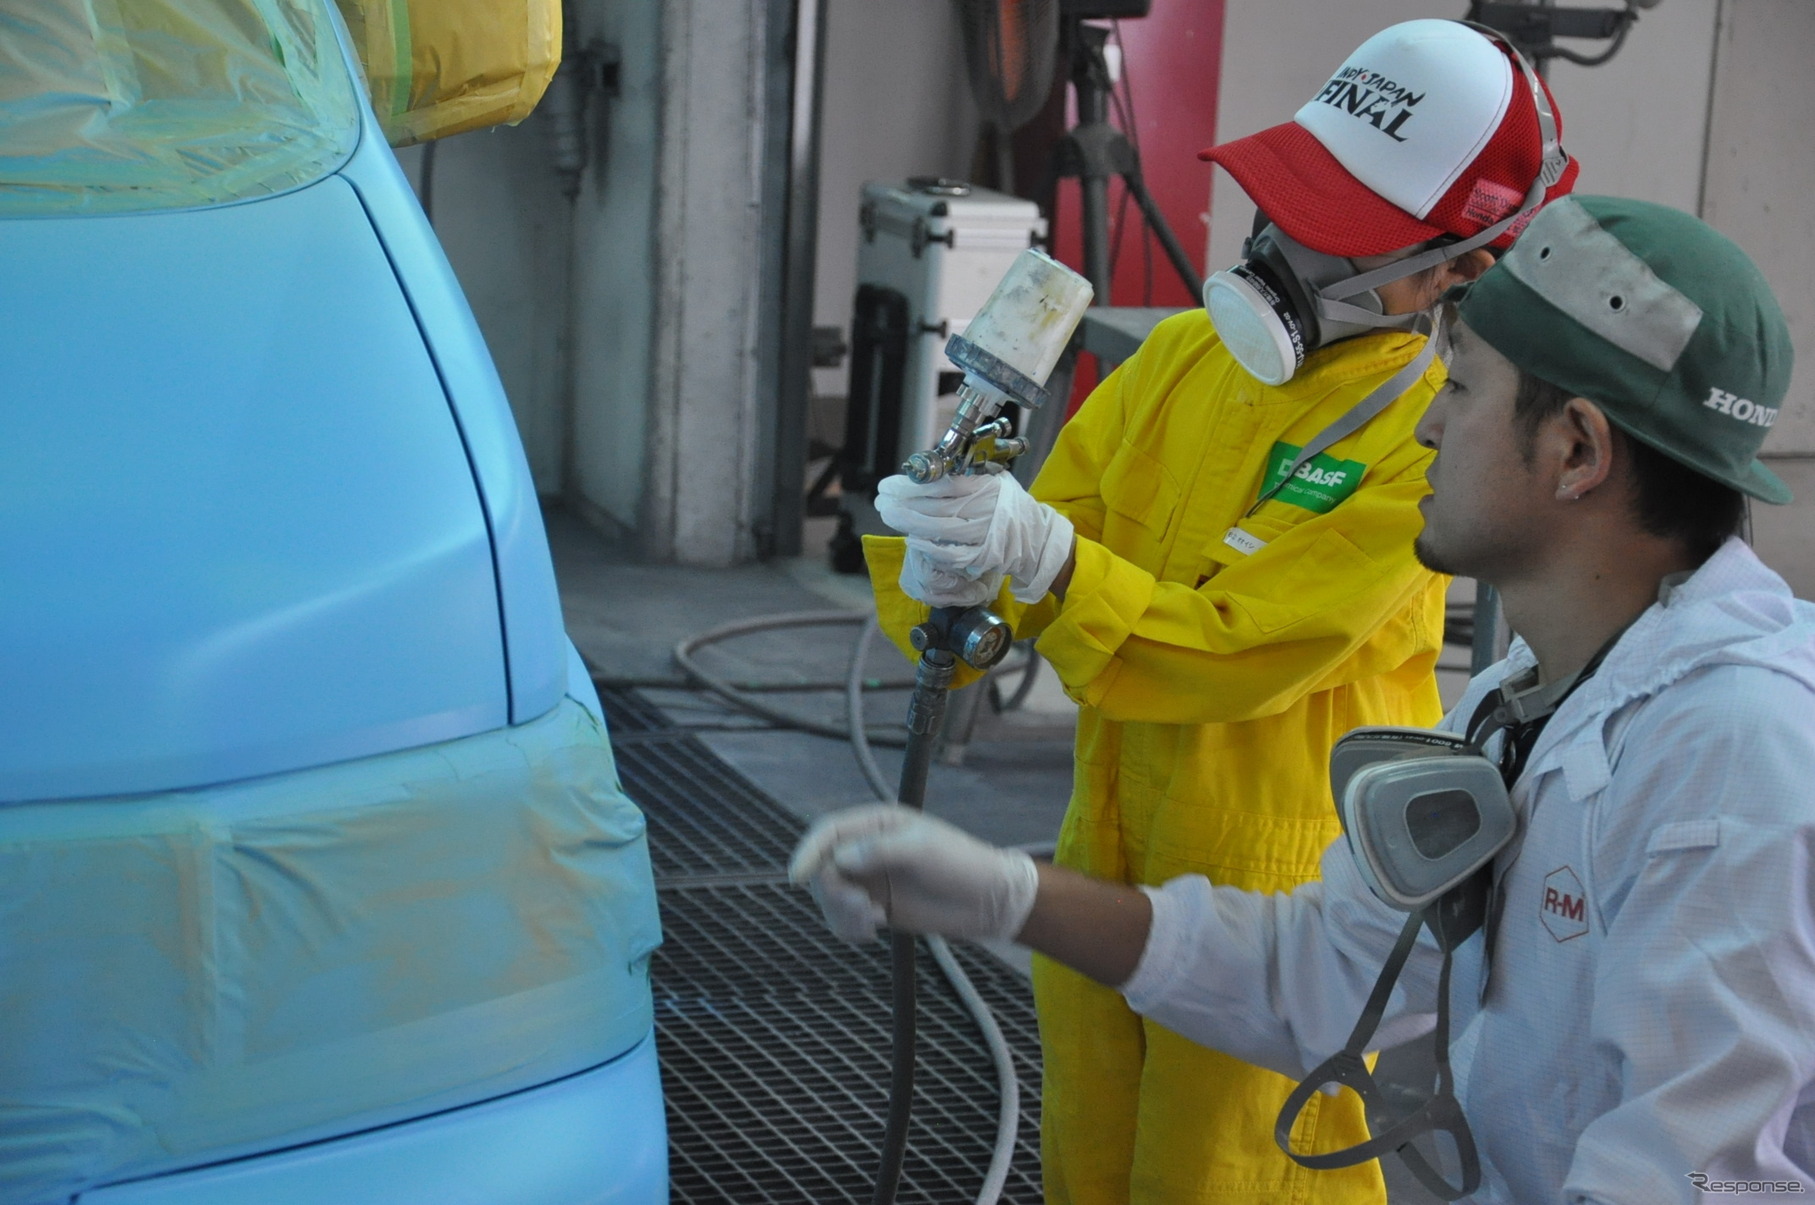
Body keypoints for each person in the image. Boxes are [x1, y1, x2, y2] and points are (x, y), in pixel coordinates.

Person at [797, 194, 1815, 1202]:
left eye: (1459, 391)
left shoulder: (1733, 761)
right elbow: (1323, 970)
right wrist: (1010, 897)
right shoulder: (1528, 702)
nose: (1423, 426)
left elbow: (1696, 1182)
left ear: (1578, 451)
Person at [859, 19, 1577, 1204]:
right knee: (1089, 1159)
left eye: (1341, 227)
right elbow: (1037, 576)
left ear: (1461, 267)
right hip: (1108, 840)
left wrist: (1044, 556)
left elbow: (1237, 649)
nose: (1286, 244)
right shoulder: (1186, 358)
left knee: (1231, 1176)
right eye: (1293, 199)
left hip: (1276, 890)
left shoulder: (1430, 440)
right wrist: (946, 559)